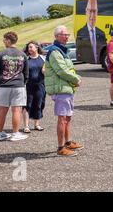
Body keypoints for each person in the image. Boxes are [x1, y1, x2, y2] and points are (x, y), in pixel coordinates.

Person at [45, 26, 84, 157]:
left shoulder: (62, 50)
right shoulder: (55, 51)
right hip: (61, 89)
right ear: (56, 36)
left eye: (68, 34)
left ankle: (68, 142)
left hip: (66, 88)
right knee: (62, 118)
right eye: (64, 34)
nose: (67, 36)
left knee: (67, 117)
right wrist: (76, 79)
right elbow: (61, 70)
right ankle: (61, 147)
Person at [0, 32, 29, 142]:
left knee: (2, 110)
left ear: (8, 40)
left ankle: (0, 133)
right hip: (18, 85)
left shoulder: (0, 54)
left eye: (4, 40)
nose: (3, 42)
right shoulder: (22, 54)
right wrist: (23, 82)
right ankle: (15, 133)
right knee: (16, 110)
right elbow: (26, 73)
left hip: (3, 86)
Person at [22, 41, 46, 133]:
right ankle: (26, 126)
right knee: (27, 105)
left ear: (36, 47)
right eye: (28, 47)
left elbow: (47, 70)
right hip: (28, 86)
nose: (29, 49)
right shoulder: (26, 59)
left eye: (31, 47)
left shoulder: (43, 58)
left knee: (39, 104)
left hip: (41, 85)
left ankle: (37, 124)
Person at [76, 0, 107, 64]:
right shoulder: (80, 32)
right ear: (86, 12)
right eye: (90, 11)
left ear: (97, 13)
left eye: (94, 11)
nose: (92, 16)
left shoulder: (102, 33)